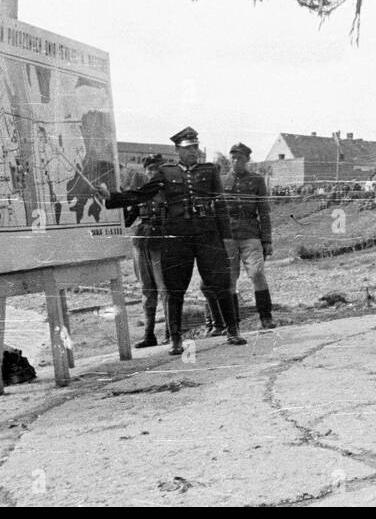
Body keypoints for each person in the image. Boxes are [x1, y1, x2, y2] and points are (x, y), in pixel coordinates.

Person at [98, 127, 245, 354]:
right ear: (177, 150)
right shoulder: (166, 172)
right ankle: (176, 339)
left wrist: (226, 239)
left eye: (195, 147)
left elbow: (221, 206)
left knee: (221, 284)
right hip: (177, 238)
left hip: (208, 235)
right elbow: (142, 194)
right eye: (188, 148)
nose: (193, 152)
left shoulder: (210, 170)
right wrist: (112, 198)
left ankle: (233, 330)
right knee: (175, 289)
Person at [223, 142, 276, 330]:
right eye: (233, 158)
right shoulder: (221, 182)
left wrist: (267, 240)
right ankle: (233, 323)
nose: (236, 161)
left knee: (257, 273)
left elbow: (264, 212)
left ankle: (266, 316)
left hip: (251, 235)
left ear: (247, 160)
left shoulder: (257, 181)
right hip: (228, 237)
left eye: (240, 158)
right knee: (230, 279)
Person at [127, 153, 167, 347]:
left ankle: (170, 332)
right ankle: (149, 335)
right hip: (142, 242)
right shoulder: (141, 192)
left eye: (155, 169)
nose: (152, 173)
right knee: (146, 289)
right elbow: (128, 218)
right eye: (149, 169)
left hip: (161, 243)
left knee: (165, 288)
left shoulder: (168, 191)